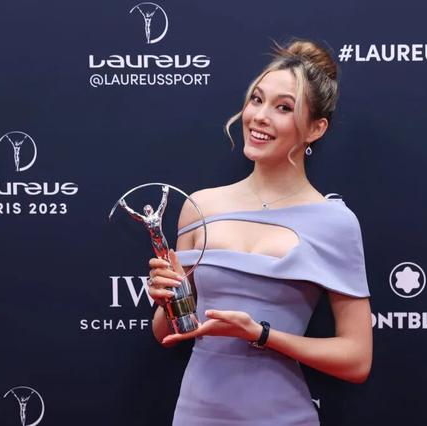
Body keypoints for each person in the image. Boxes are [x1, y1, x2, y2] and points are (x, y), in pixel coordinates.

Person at [147, 39, 372, 425]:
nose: (260, 117)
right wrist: (169, 296)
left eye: (283, 107)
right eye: (256, 100)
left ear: (316, 128)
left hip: (282, 415)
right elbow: (165, 332)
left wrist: (260, 334)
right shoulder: (199, 206)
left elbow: (356, 360)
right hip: (197, 413)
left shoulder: (335, 222)